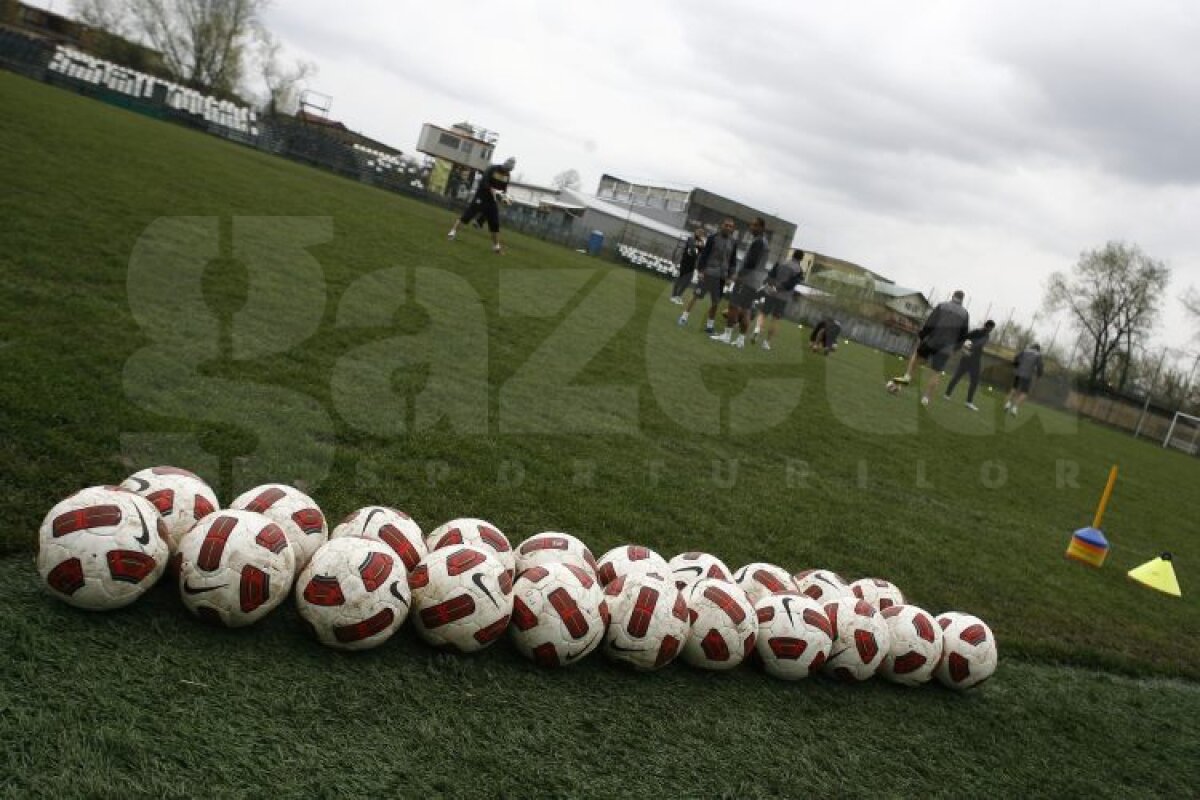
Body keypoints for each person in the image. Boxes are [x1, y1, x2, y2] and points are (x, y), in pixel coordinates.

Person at [893, 289, 970, 406]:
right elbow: (963, 335)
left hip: (932, 341)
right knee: (936, 373)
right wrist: (955, 349)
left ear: (953, 296)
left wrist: (922, 335)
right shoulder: (965, 314)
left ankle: (908, 376)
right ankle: (926, 399)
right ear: (962, 300)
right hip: (946, 348)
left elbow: (930, 323)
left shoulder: (942, 306)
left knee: (916, 356)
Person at [712, 217, 768, 348]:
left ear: (761, 228)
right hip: (755, 281)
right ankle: (741, 340)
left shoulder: (759, 242)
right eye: (751, 225)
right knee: (746, 310)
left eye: (754, 225)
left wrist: (739, 275)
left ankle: (727, 336)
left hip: (747, 279)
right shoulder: (763, 242)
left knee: (733, 306)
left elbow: (751, 262)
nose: (751, 227)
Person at [678, 219, 738, 334]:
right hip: (708, 273)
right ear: (722, 226)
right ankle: (684, 317)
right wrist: (700, 271)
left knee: (715, 302)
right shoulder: (713, 238)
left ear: (733, 229)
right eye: (726, 225)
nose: (728, 228)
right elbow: (704, 255)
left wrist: (730, 277)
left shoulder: (734, 243)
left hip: (721, 276)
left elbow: (733, 261)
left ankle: (709, 327)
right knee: (696, 295)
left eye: (730, 226)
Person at [446, 156, 516, 253]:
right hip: (481, 196)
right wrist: (491, 190)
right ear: (504, 165)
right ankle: (452, 232)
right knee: (468, 215)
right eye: (506, 169)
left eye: (509, 170)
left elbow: (504, 190)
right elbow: (484, 182)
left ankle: (496, 247)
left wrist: (504, 198)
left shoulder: (507, 176)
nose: (506, 171)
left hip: (492, 200)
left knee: (495, 223)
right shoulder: (492, 168)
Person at [751, 249, 806, 350]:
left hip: (771, 293)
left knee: (763, 313)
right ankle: (766, 343)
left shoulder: (780, 262)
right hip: (783, 297)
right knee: (775, 319)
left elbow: (770, 275)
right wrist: (779, 287)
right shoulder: (799, 270)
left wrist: (771, 286)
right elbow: (791, 284)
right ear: (801, 259)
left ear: (793, 255)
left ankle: (757, 329)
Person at [943, 319, 996, 410]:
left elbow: (967, 340)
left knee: (969, 380)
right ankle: (953, 396)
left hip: (972, 359)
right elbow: (967, 339)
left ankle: (962, 400)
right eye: (990, 328)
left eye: (991, 329)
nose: (990, 330)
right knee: (960, 378)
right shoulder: (980, 333)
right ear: (986, 326)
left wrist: (961, 348)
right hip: (970, 359)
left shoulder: (982, 334)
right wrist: (964, 348)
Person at [1004, 343, 1044, 416]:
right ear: (1038, 349)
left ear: (1032, 347)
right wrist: (1039, 375)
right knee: (1024, 393)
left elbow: (1016, 358)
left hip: (1018, 373)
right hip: (1027, 376)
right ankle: (1015, 408)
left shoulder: (1025, 350)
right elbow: (1040, 366)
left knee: (1013, 389)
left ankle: (1007, 404)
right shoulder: (1038, 355)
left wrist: (1016, 366)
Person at [670, 228, 706, 304]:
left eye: (702, 233)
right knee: (680, 279)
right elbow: (692, 249)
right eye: (699, 232)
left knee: (687, 281)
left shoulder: (701, 241)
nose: (700, 234)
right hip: (685, 262)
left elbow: (702, 250)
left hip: (692, 264)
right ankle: (673, 296)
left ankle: (678, 296)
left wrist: (699, 247)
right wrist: (698, 248)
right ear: (696, 232)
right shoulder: (691, 238)